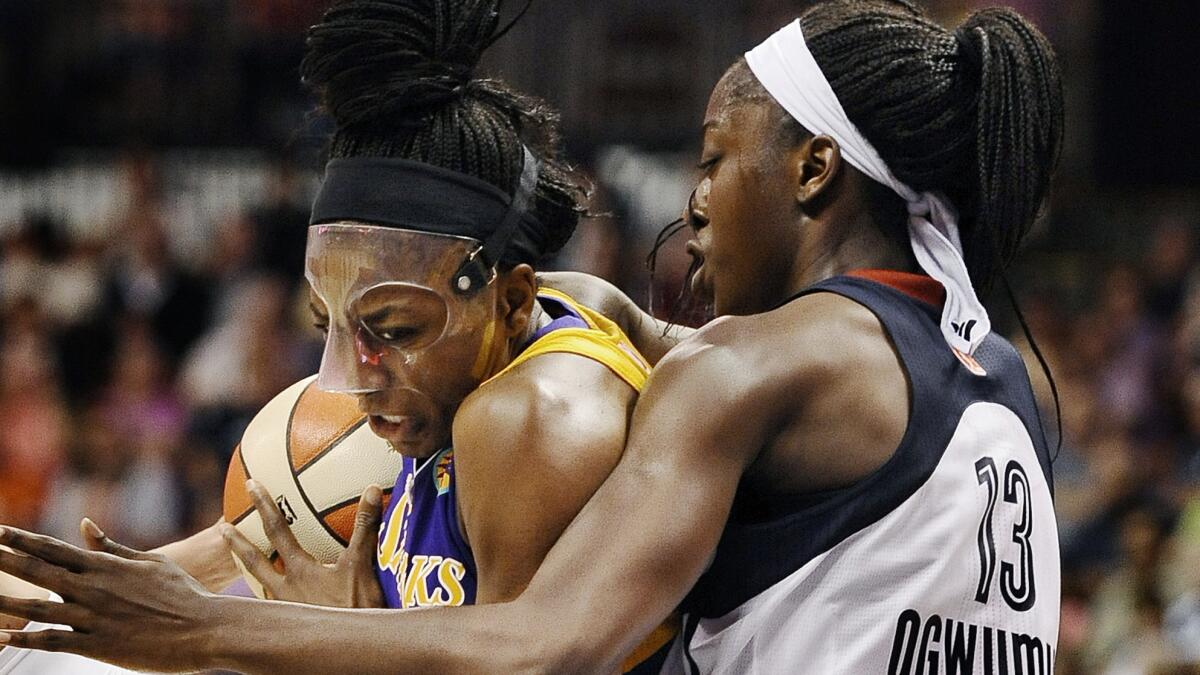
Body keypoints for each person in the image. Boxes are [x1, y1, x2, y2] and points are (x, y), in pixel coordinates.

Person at [0, 1, 1064, 672]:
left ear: (813, 170)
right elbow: (614, 326)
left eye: (712, 158)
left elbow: (541, 648)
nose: (692, 205)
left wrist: (205, 630)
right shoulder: (1001, 379)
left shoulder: (754, 368)